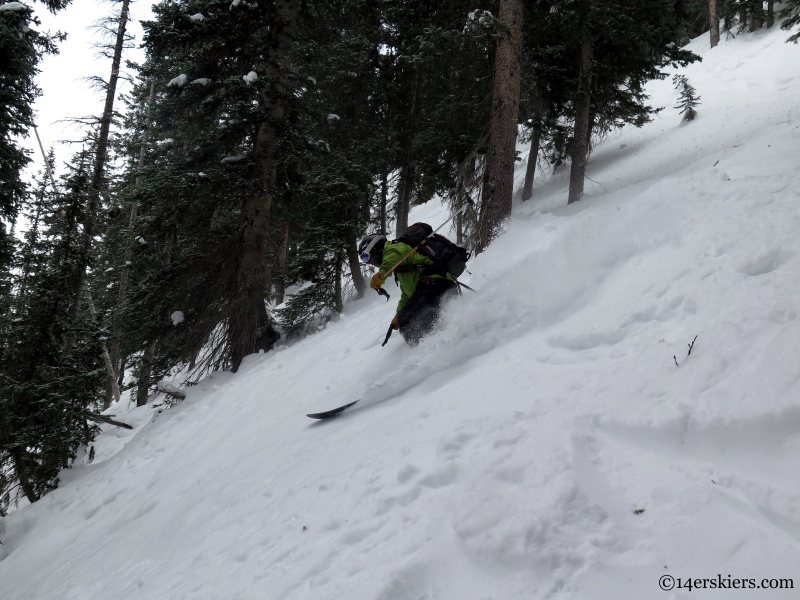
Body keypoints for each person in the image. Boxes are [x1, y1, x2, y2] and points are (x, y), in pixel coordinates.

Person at [358, 232, 458, 346]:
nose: (369, 263)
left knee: (409, 320)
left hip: (435, 283)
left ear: (375, 248)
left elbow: (392, 257)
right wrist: (398, 315)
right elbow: (406, 294)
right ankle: (448, 344)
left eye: (366, 257)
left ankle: (427, 352)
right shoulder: (400, 269)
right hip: (435, 288)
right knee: (425, 319)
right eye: (364, 260)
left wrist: (381, 275)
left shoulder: (394, 247)